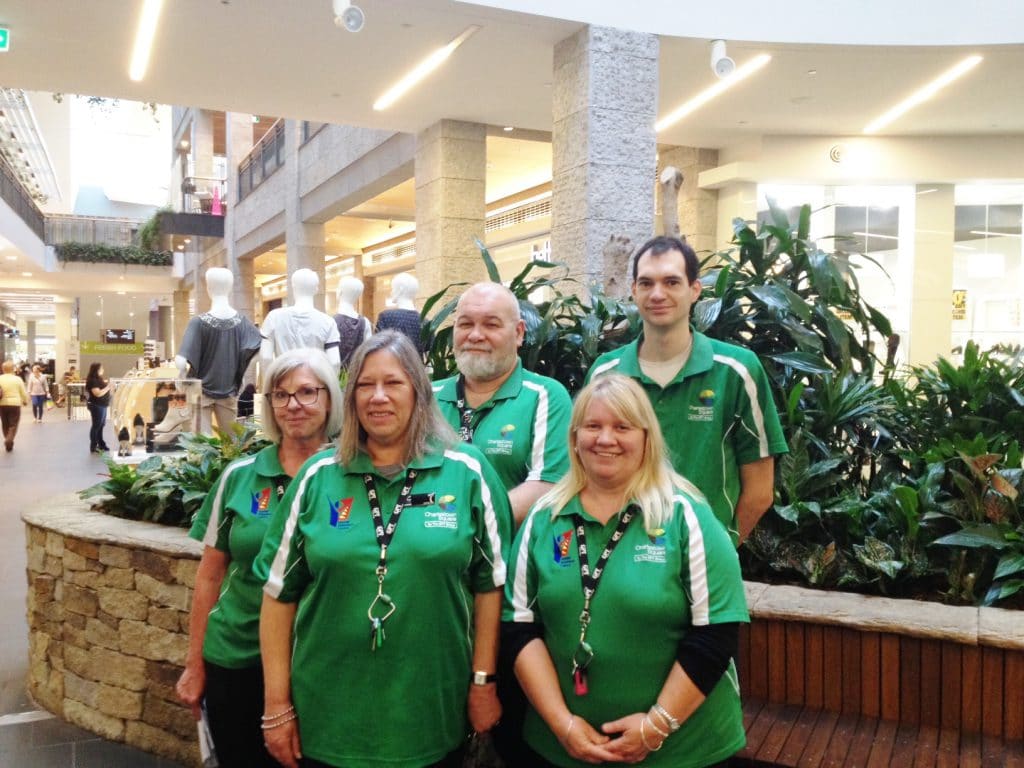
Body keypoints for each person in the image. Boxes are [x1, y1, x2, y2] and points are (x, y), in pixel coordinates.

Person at [254, 331, 511, 768]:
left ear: (418, 391)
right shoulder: (317, 477)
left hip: (430, 711)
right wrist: (276, 705)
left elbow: (492, 587)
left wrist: (483, 681)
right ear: (351, 398)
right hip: (328, 713)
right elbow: (278, 596)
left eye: (393, 383)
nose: (378, 397)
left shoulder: (468, 472)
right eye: (365, 385)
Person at [503, 374, 749, 767]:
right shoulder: (544, 518)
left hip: (683, 752)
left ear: (647, 438)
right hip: (561, 748)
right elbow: (519, 627)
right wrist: (562, 724)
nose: (606, 439)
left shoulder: (686, 516)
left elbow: (716, 635)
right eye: (593, 426)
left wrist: (656, 726)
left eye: (622, 427)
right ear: (574, 437)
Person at [177, 348, 343, 768]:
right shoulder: (240, 476)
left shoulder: (351, 476)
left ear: (330, 399)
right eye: (280, 395)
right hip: (238, 655)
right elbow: (209, 576)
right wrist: (195, 664)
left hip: (318, 661)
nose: (293, 404)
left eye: (307, 392)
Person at [587, 236, 788, 544]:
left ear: (695, 290)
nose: (658, 294)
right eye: (646, 283)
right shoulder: (605, 372)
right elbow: (586, 473)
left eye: (671, 282)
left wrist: (718, 552)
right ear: (634, 291)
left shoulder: (736, 370)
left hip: (702, 555)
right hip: (618, 556)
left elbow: (760, 490)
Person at [433, 282, 572, 528]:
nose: (475, 335)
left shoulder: (545, 396)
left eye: (491, 325)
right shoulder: (425, 398)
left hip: (506, 549)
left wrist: (464, 524)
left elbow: (548, 485)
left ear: (518, 333)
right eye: (465, 324)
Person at [176, 267, 263, 434]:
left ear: (209, 288)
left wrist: (181, 374)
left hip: (200, 392)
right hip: (228, 390)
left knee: (202, 444)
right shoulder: (242, 322)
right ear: (230, 288)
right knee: (232, 442)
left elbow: (180, 362)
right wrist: (241, 366)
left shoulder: (198, 322)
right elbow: (260, 347)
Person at [259, 268, 342, 374]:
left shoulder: (273, 317)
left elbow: (265, 357)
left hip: (283, 379)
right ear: (316, 289)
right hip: (312, 381)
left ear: (293, 287)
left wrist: (273, 381)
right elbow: (335, 362)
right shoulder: (328, 322)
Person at [375, 272, 423, 352]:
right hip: (416, 360)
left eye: (393, 288)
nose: (391, 292)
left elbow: (377, 345)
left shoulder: (386, 317)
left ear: (400, 289)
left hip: (393, 359)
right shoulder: (424, 321)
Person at [334, 275, 371, 369]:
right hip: (356, 372)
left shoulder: (331, 321)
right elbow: (368, 352)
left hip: (335, 373)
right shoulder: (365, 322)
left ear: (340, 292)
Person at [0, 360, 29, 452]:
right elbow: (23, 392)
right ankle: (9, 440)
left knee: (5, 424)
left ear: (3, 369)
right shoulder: (17, 379)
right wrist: (25, 401)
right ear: (13, 369)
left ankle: (8, 439)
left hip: (2, 404)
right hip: (15, 404)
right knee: (13, 424)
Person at [85, 362, 111, 453]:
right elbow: (98, 393)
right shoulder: (93, 380)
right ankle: (93, 446)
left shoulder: (98, 379)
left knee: (100, 426)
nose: (103, 370)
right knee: (96, 426)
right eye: (101, 368)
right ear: (97, 370)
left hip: (102, 405)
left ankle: (101, 444)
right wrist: (108, 387)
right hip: (97, 405)